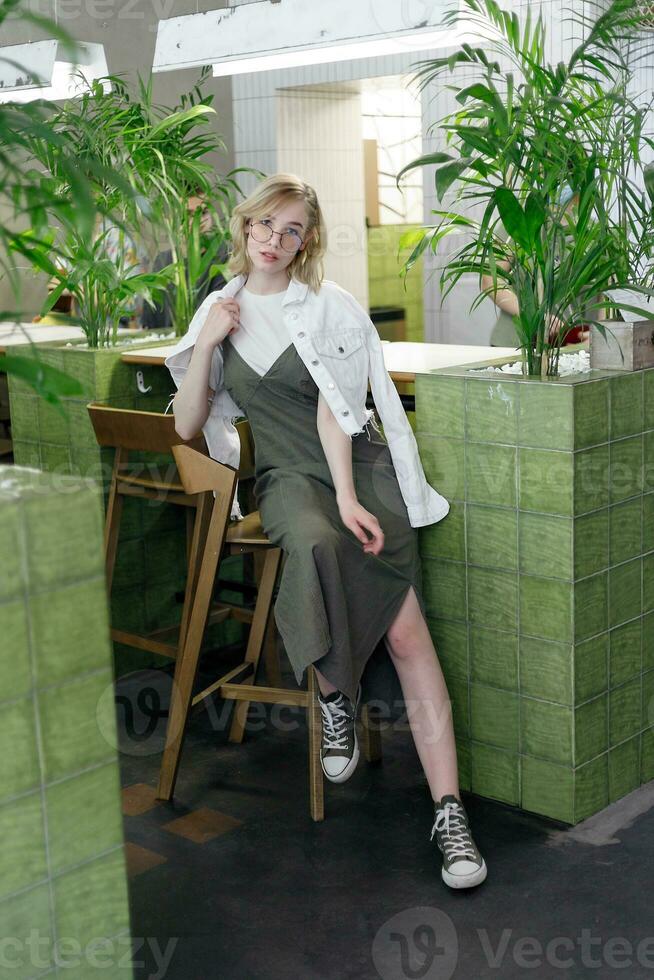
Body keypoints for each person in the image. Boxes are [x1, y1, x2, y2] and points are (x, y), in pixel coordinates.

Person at [165, 173, 487, 890]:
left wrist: (347, 495)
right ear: (244, 226)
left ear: (306, 239)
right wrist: (211, 337)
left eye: (292, 230)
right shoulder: (218, 309)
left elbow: (336, 411)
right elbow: (187, 427)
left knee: (408, 633)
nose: (276, 241)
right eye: (266, 225)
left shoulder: (329, 306)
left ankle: (449, 814)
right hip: (283, 477)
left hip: (356, 467)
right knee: (309, 541)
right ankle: (334, 690)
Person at [141, 188, 228, 330]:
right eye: (188, 215)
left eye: (203, 212)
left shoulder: (227, 258)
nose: (197, 221)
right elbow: (150, 322)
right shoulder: (163, 261)